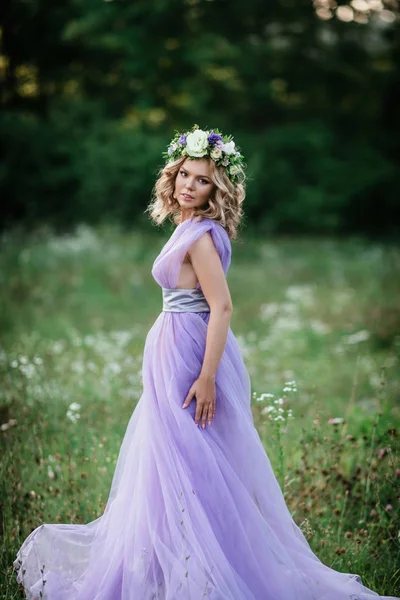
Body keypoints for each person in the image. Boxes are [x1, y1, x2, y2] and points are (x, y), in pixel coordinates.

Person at [13, 125, 398, 600]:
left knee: (195, 461)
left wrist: (207, 377)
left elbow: (222, 307)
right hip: (173, 348)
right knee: (169, 462)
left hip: (195, 354)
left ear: (218, 190)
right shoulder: (186, 225)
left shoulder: (202, 236)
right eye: (185, 175)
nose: (189, 185)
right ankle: (170, 565)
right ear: (173, 175)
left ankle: (210, 572)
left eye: (202, 180)